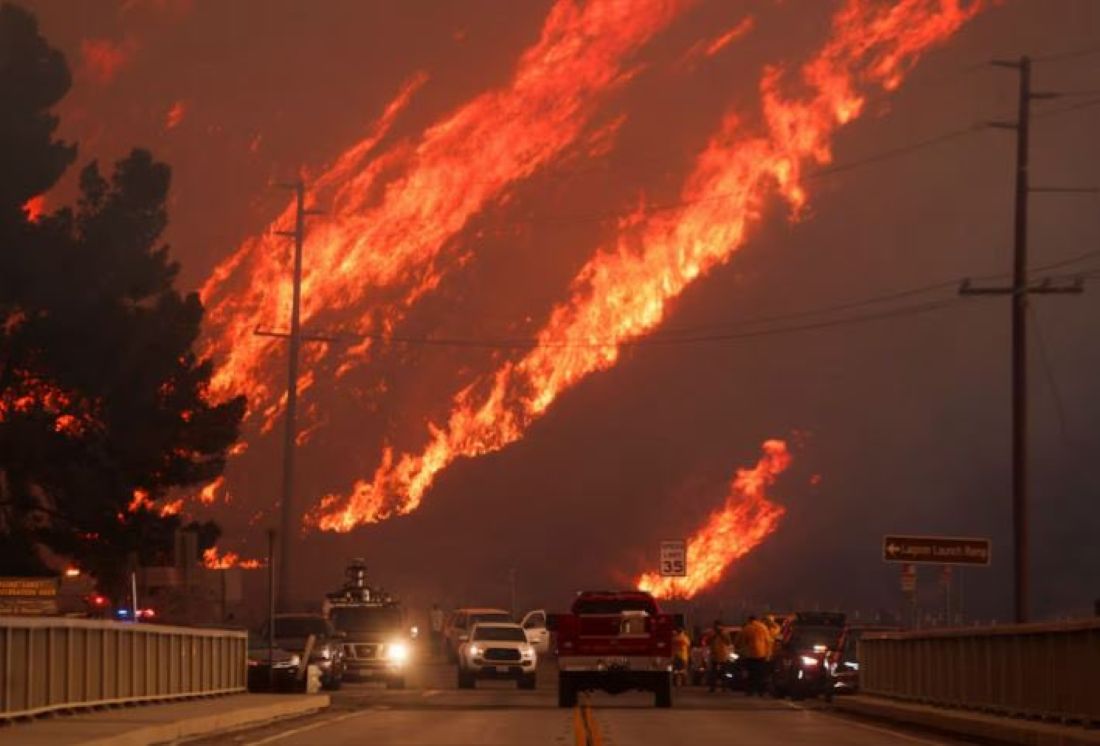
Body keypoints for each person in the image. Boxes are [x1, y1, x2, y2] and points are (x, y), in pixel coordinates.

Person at [734, 615, 772, 696]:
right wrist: (768, 653)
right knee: (760, 673)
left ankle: (750, 691)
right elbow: (768, 641)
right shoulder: (763, 627)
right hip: (762, 654)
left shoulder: (747, 628)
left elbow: (739, 641)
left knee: (751, 673)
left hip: (750, 654)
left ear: (749, 620)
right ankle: (761, 691)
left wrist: (739, 648)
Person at [706, 620, 732, 693]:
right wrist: (714, 636)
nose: (717, 627)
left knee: (724, 672)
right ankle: (713, 687)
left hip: (723, 654)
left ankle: (724, 687)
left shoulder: (725, 633)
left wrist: (721, 634)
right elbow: (708, 642)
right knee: (713, 672)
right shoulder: (711, 633)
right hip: (714, 655)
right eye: (716, 625)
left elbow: (728, 642)